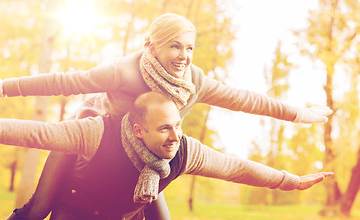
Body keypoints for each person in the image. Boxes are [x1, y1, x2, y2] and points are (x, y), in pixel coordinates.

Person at [0, 13, 332, 219]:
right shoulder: (122, 73)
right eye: (175, 46)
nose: (184, 56)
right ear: (151, 46)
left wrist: (299, 115)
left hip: (150, 161)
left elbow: (243, 101)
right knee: (38, 209)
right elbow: (63, 82)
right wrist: (5, 87)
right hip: (95, 144)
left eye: (189, 48)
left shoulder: (193, 83)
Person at [2, 92, 333, 219]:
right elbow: (35, 133)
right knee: (36, 212)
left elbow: (235, 168)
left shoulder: (184, 150)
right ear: (138, 131)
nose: (176, 137)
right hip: (76, 203)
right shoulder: (95, 131)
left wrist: (290, 181)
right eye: (164, 129)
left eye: (178, 126)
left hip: (124, 207)